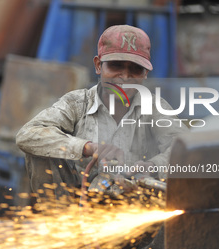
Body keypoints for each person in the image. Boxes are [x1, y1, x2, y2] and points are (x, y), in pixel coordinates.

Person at [16, 25, 188, 201]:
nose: (125, 76)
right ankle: (58, 222)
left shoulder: (155, 107)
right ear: (98, 66)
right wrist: (88, 148)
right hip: (76, 204)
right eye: (116, 66)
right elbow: (28, 134)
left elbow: (186, 149)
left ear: (145, 74)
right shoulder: (77, 103)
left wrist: (152, 166)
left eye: (135, 69)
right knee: (40, 149)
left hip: (135, 205)